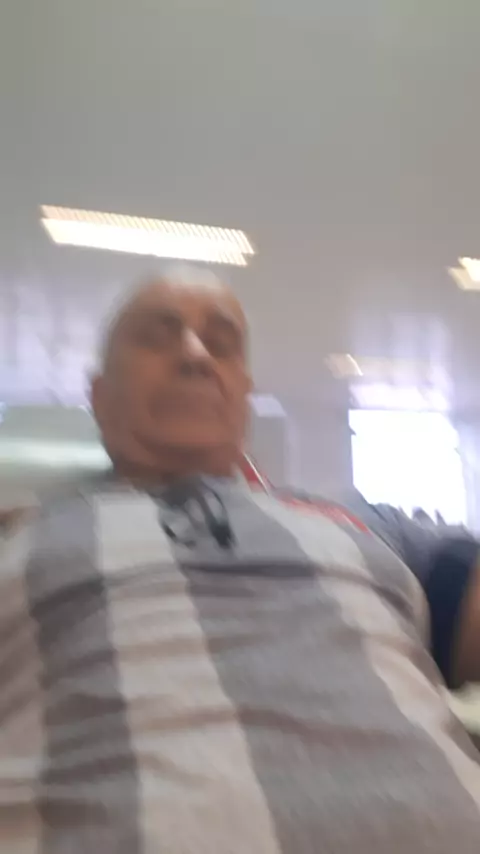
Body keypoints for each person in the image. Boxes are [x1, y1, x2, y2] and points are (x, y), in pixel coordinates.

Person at [1, 266, 480, 853]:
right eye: (158, 336)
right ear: (98, 396)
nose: (195, 354)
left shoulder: (363, 522)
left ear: (244, 395)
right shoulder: (23, 534)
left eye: (221, 343)